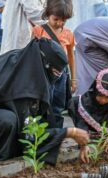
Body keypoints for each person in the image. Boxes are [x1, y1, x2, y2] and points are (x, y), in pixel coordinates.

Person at [0, 38, 89, 167]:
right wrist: (69, 132)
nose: (55, 78)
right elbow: (27, 132)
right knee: (9, 120)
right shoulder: (22, 83)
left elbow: (42, 116)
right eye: (55, 73)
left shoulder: (24, 63)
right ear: (44, 64)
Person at [32, 0, 76, 128]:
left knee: (58, 107)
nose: (59, 23)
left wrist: (73, 79)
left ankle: (57, 135)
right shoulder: (38, 30)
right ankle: (41, 136)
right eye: (56, 19)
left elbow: (71, 57)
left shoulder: (69, 34)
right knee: (42, 105)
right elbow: (32, 54)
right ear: (48, 14)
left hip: (61, 77)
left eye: (63, 20)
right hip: (43, 76)